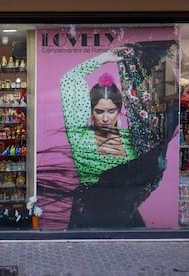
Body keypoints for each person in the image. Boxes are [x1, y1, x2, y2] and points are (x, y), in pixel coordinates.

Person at [61, 41, 178, 228]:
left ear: (119, 110)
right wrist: (103, 58)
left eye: (111, 111)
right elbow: (70, 78)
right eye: (99, 111)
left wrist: (162, 67)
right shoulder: (80, 138)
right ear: (90, 112)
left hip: (127, 221)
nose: (106, 118)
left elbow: (151, 174)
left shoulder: (132, 139)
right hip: (88, 221)